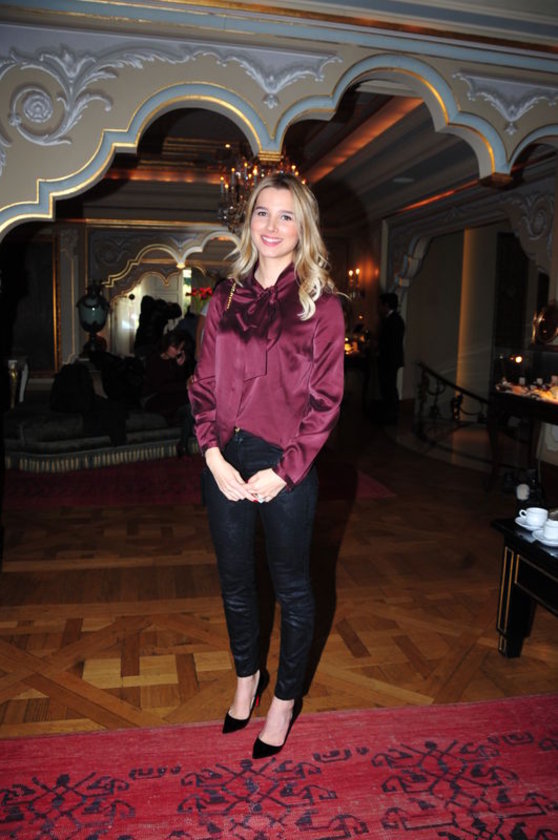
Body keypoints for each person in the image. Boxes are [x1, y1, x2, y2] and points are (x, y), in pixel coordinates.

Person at [188, 172, 345, 759]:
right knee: (234, 583)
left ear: (303, 227)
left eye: (286, 215)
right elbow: (203, 383)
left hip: (287, 464)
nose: (272, 226)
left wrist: (285, 471)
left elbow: (326, 399)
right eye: (262, 212)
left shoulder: (322, 305)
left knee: (292, 588)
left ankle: (283, 701)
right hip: (224, 458)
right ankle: (246, 678)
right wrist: (211, 454)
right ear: (248, 221)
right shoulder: (223, 299)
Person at [142, 330, 195, 455]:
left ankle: (183, 444)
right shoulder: (154, 359)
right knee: (188, 402)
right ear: (167, 344)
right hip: (152, 397)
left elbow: (176, 382)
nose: (178, 352)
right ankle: (183, 443)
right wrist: (184, 385)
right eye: (176, 348)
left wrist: (180, 366)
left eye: (180, 349)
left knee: (191, 403)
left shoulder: (174, 360)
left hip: (169, 396)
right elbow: (160, 387)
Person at [377, 291, 405, 425]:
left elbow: (390, 343)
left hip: (390, 360)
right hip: (390, 359)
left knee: (389, 387)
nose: (379, 308)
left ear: (386, 305)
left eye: (381, 305)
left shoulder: (393, 320)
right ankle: (389, 413)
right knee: (388, 387)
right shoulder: (393, 319)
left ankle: (391, 414)